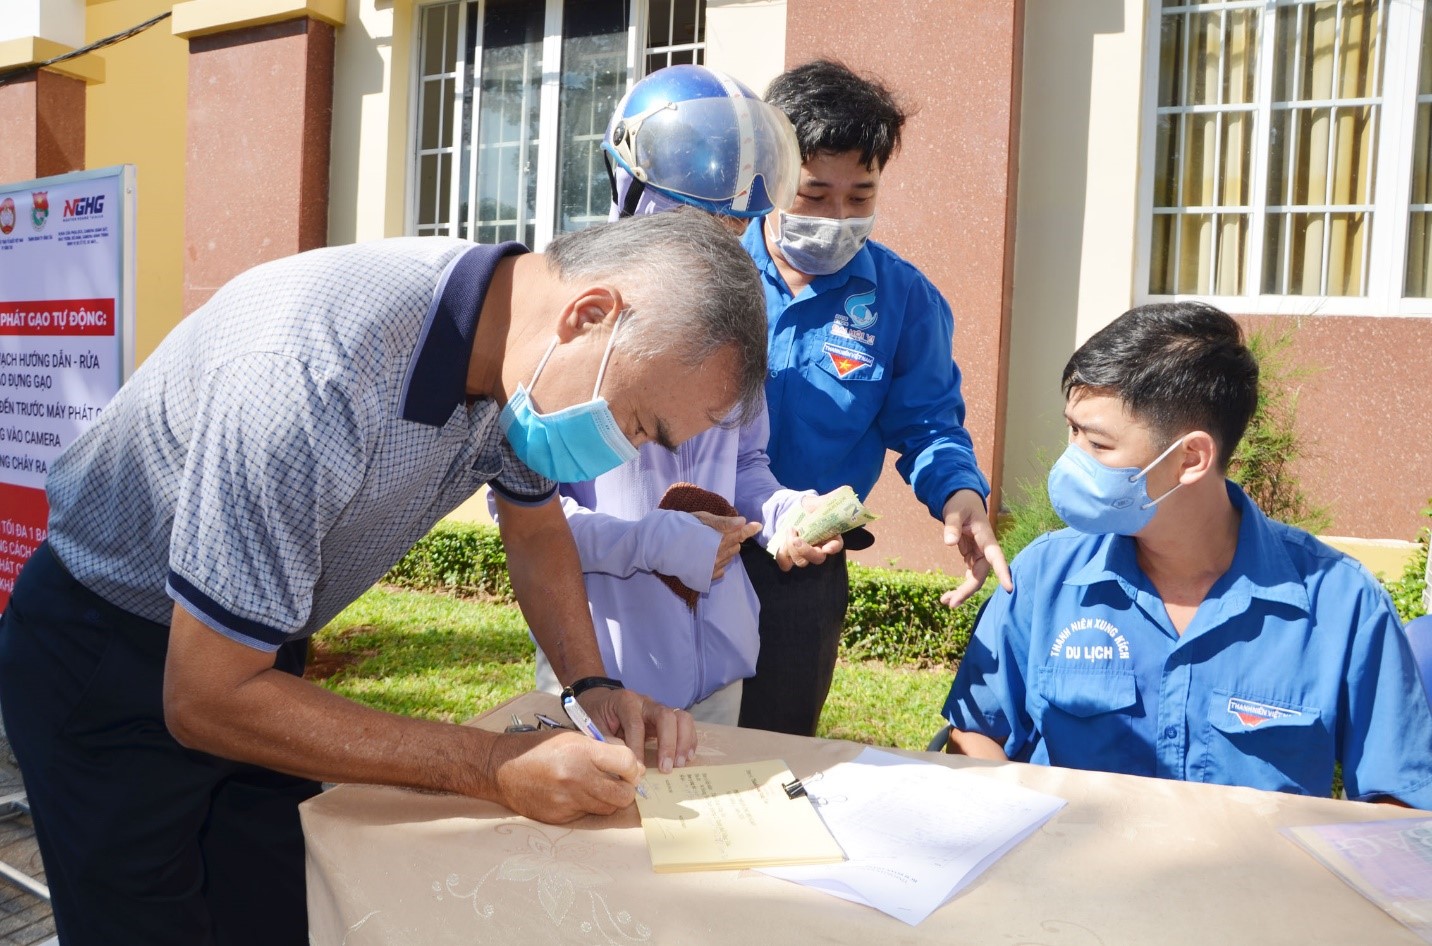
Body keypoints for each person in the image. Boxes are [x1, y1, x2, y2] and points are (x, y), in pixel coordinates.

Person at [0, 209, 768, 945]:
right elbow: (204, 697)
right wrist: (493, 766)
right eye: (637, 422)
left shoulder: (511, 353)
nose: (624, 451)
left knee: (280, 915)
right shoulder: (312, 373)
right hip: (106, 656)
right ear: (589, 314)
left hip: (258, 655)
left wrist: (591, 688)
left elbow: (536, 530)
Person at [938, 301, 1432, 808]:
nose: (1072, 460)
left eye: (1099, 444)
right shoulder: (1046, 576)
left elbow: (1398, 804)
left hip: (1253, 885)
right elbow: (973, 733)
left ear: (1190, 458)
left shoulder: (1341, 604)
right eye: (1073, 430)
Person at [521, 64, 839, 724]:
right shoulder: (575, 311)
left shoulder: (737, 307)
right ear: (632, 191)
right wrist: (656, 543)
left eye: (732, 230)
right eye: (699, 224)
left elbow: (745, 464)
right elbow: (529, 524)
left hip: (719, 665)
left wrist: (781, 514)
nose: (722, 252)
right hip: (600, 669)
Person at [736, 60, 1012, 736]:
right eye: (813, 194)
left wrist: (961, 496)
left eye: (860, 197)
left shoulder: (901, 298)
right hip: (688, 552)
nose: (837, 216)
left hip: (806, 568)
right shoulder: (713, 271)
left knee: (772, 753)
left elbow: (928, 425)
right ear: (771, 176)